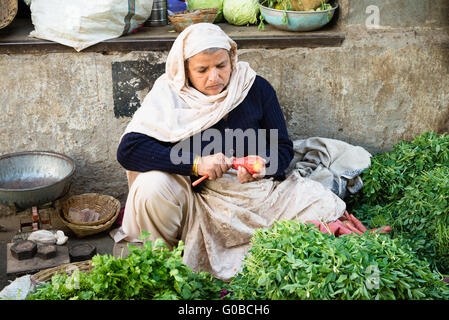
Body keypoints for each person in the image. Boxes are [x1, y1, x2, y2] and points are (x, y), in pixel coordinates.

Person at [116, 23, 346, 281]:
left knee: (320, 202)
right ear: (185, 71)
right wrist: (195, 164)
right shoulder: (170, 96)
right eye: (202, 70)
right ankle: (159, 265)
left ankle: (247, 258)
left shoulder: (255, 88)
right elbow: (129, 150)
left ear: (232, 60)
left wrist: (263, 166)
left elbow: (282, 148)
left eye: (221, 66)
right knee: (151, 186)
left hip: (254, 195)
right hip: (199, 199)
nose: (214, 77)